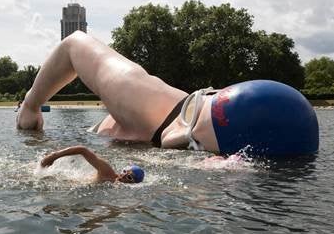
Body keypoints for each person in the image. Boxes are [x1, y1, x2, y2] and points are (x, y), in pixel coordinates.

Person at [17, 31, 319, 157]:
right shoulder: (136, 100)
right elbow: (74, 43)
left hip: (174, 123)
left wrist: (31, 106)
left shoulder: (143, 102)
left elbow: (75, 43)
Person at [40, 145, 144, 183]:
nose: (124, 175)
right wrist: (54, 156)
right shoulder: (108, 173)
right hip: (63, 181)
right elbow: (83, 150)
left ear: (134, 183)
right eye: (125, 171)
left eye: (129, 177)